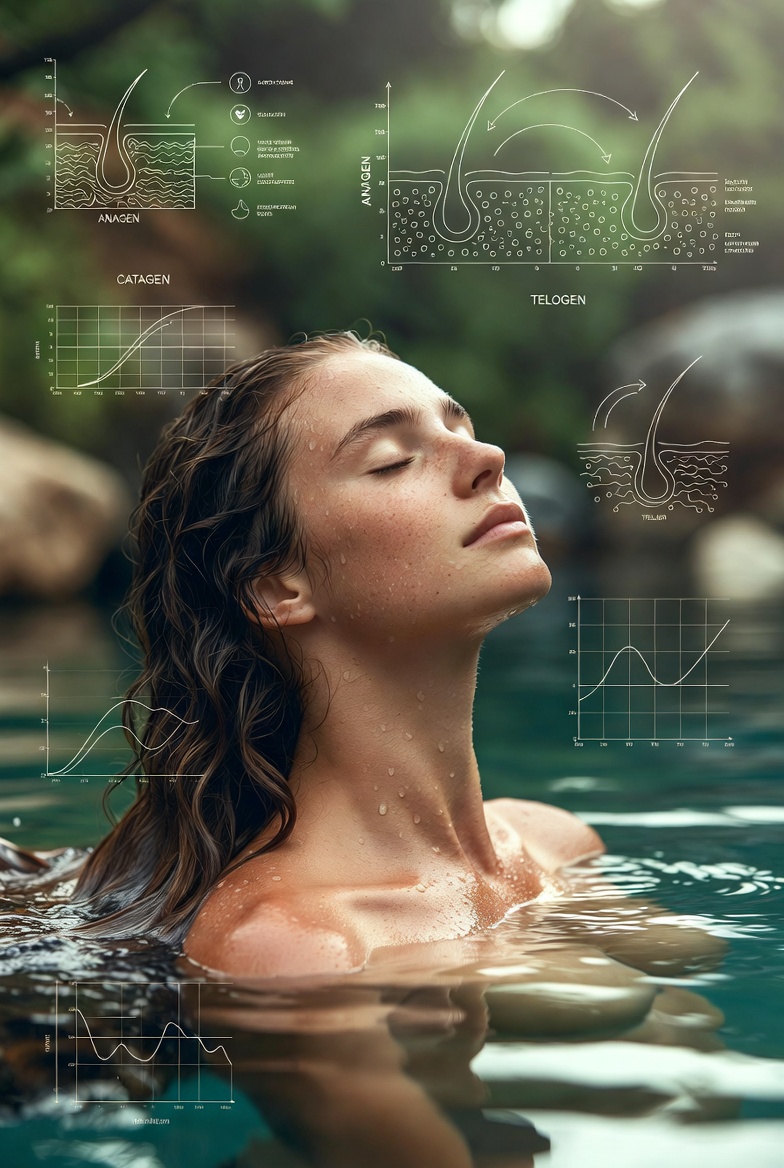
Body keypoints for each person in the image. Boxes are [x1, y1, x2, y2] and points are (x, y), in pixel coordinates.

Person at [72, 330, 604, 974]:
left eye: (462, 427)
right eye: (391, 460)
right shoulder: (297, 942)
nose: (488, 456)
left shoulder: (559, 845)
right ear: (276, 586)